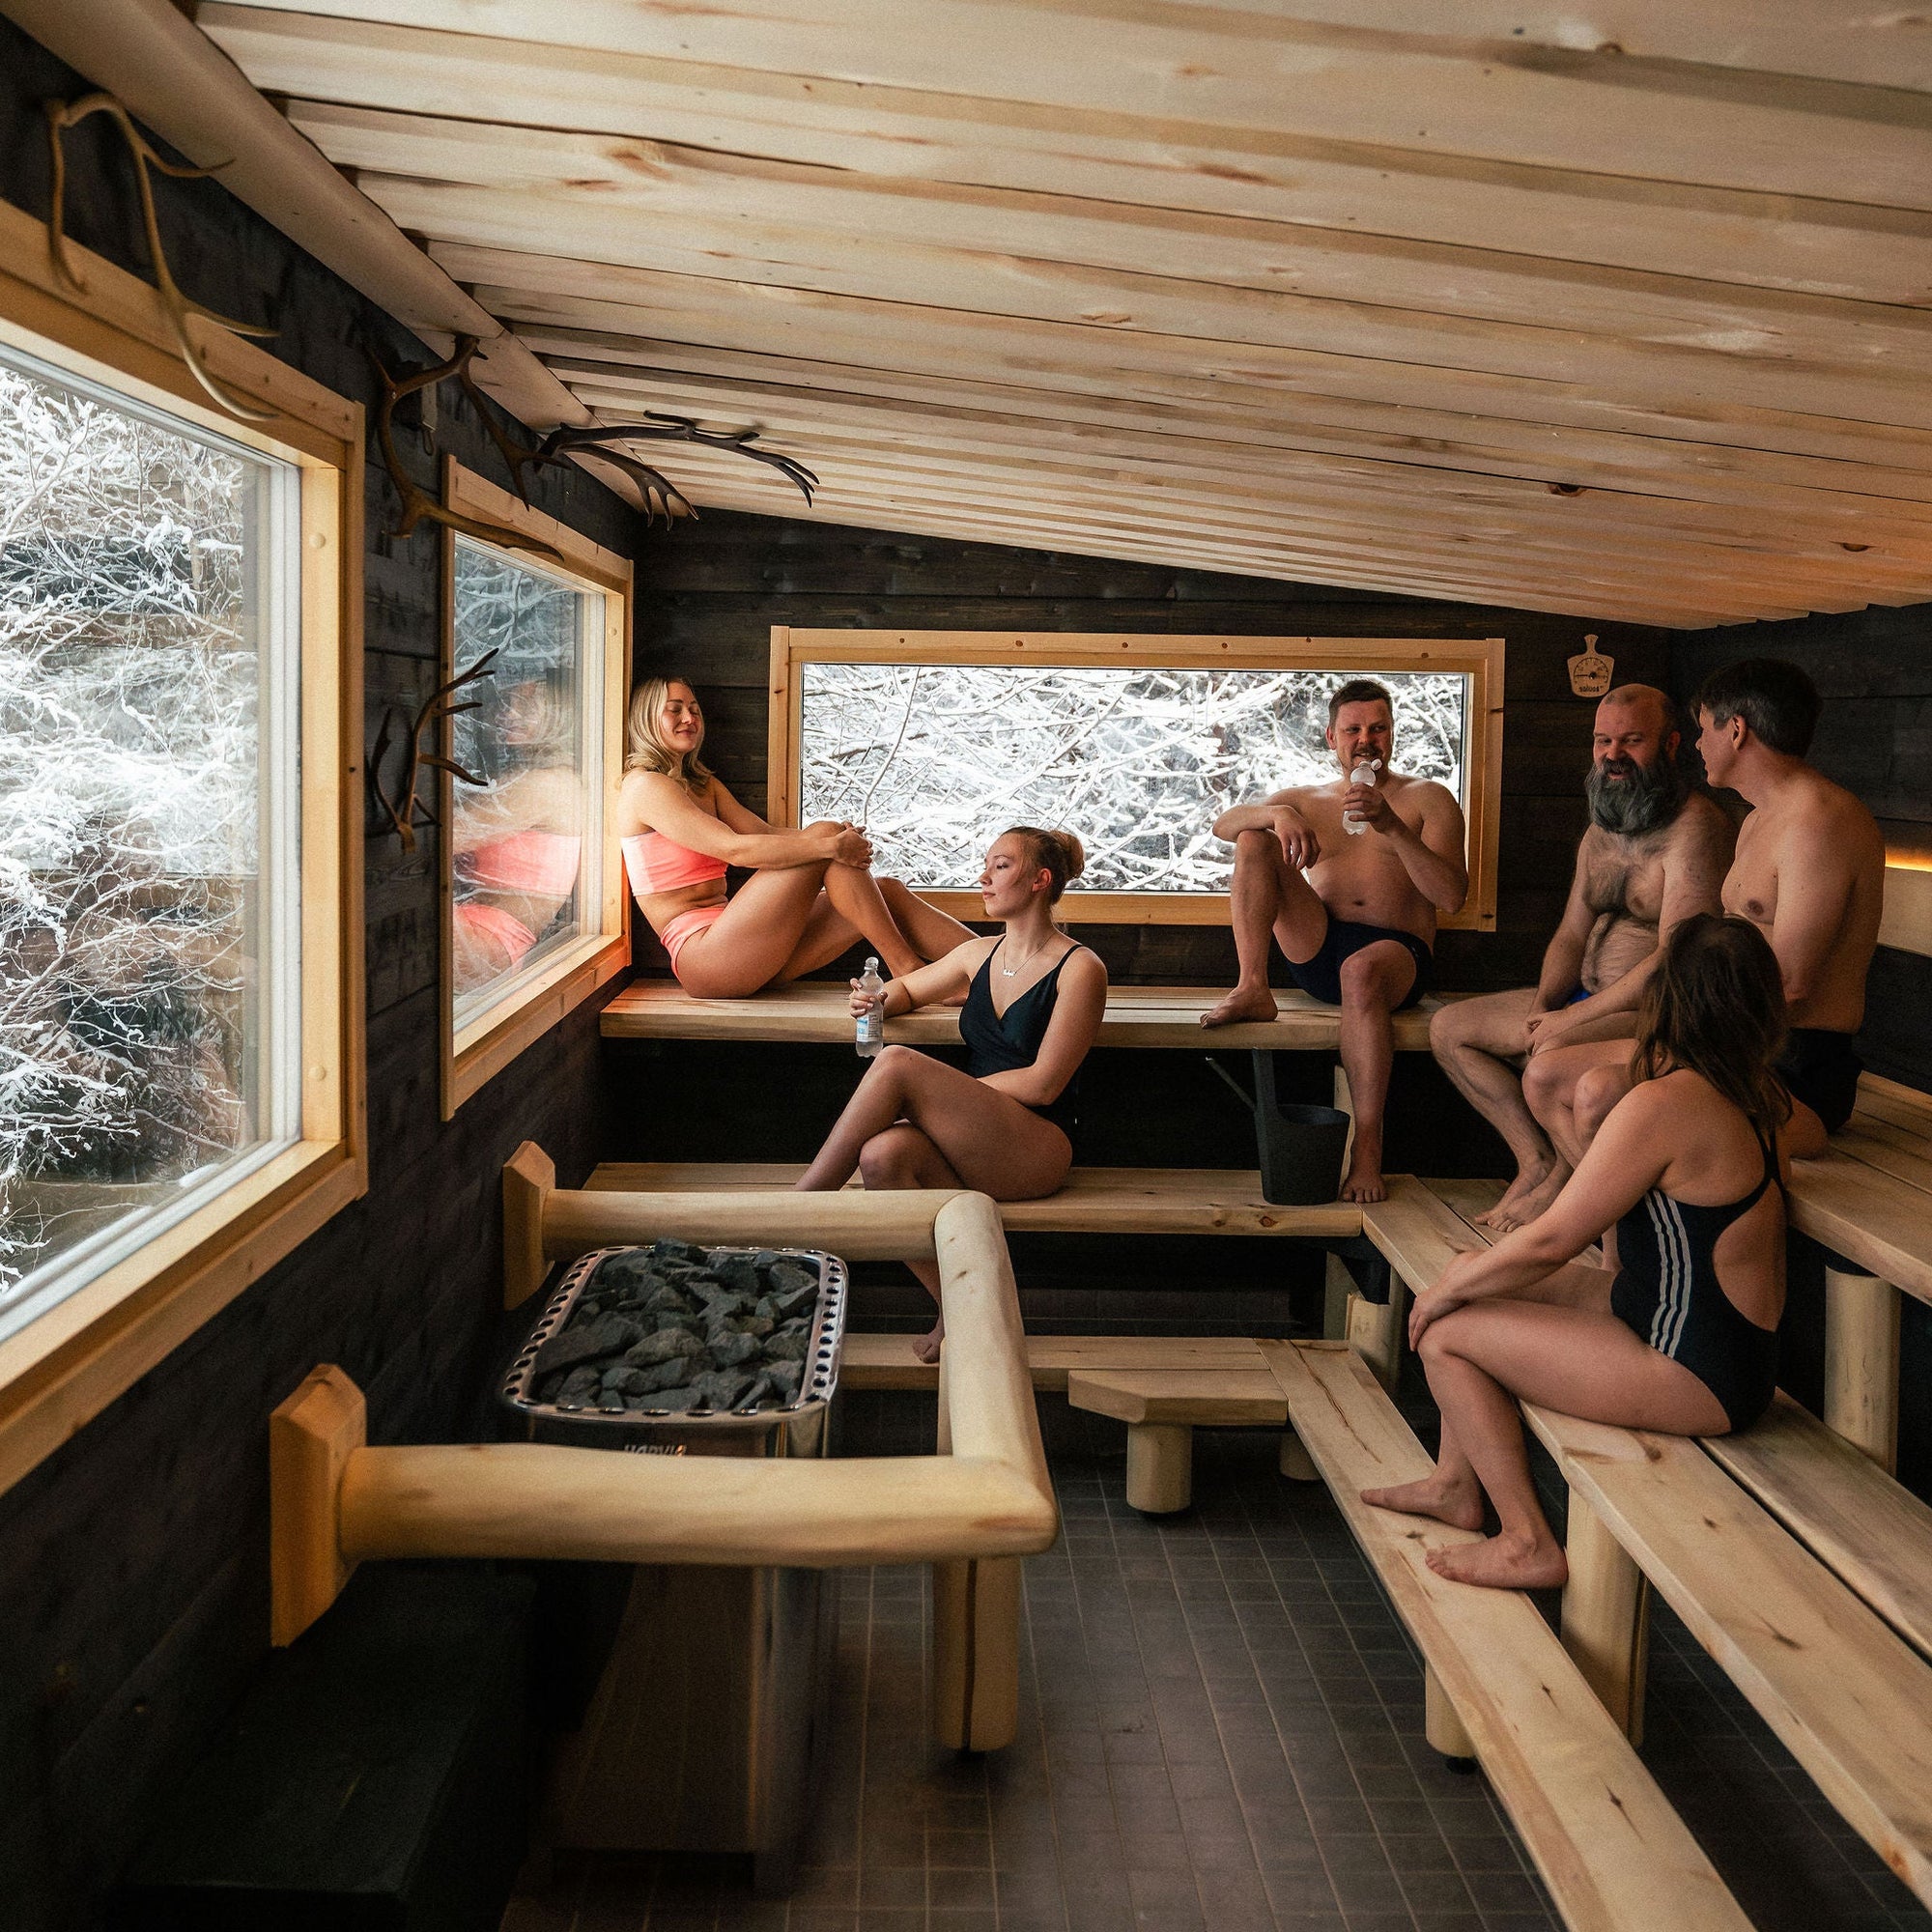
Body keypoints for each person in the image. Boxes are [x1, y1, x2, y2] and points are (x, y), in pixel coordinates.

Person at [1363, 913, 1790, 1590]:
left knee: (1450, 1331)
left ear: (1667, 1001)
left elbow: (1556, 1239)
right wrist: (1466, 1278)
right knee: (1468, 1274)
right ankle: (1453, 1484)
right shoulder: (1751, 1093)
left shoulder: (1670, 1104)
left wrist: (1444, 1296)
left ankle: (1526, 1542)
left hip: (1693, 1369)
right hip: (1684, 1325)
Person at [1537, 660, 1884, 1163]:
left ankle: (1606, 1236)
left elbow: (1791, 984)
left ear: (1737, 730)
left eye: (1703, 730)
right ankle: (1602, 1228)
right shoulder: (1758, 820)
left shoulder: (1818, 824)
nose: (1697, 746)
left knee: (1599, 1091)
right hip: (1735, 1045)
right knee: (1547, 1072)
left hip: (1791, 1063)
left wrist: (1680, 1039)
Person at [796, 827, 1107, 1363]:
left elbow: (1044, 1082)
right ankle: (958, 1306)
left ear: (1040, 879)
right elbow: (910, 988)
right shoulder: (978, 955)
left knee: (897, 1064)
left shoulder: (1081, 968)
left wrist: (937, 1098)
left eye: (1001, 866)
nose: (983, 877)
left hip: (1037, 1145)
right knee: (881, 1155)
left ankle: (798, 1211)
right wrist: (873, 1002)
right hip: (973, 1137)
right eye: (985, 864)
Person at [1430, 685, 1732, 1231]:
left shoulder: (1695, 829)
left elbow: (1674, 958)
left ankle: (1568, 1193)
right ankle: (1537, 1161)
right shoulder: (1602, 828)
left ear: (1669, 745)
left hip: (1653, 1011)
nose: (1613, 755)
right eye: (1602, 741)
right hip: (1583, 1000)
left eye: (1631, 741)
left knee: (1551, 1053)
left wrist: (1571, 1018)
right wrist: (1544, 1006)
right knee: (1450, 1028)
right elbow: (1572, 934)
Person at [1201, 678, 1467, 1203]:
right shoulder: (1303, 801)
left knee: (1360, 971)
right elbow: (1224, 824)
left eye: (1378, 728)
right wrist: (1276, 814)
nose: (1365, 739)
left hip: (1395, 958)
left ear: (1392, 735)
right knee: (1254, 839)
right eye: (1353, 729)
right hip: (1318, 946)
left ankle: (1368, 1149)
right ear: (1331, 737)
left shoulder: (1427, 799)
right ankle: (1253, 986)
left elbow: (1452, 897)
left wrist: (1392, 827)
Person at [617, 677, 972, 998]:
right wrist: (830, 844)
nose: (689, 718)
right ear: (647, 720)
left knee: (887, 890)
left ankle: (1003, 970)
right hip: (705, 958)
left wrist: (837, 839)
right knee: (825, 837)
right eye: (674, 710)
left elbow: (767, 834)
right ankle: (908, 971)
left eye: (694, 709)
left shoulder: (703, 785)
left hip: (752, 952)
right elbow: (735, 849)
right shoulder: (644, 786)